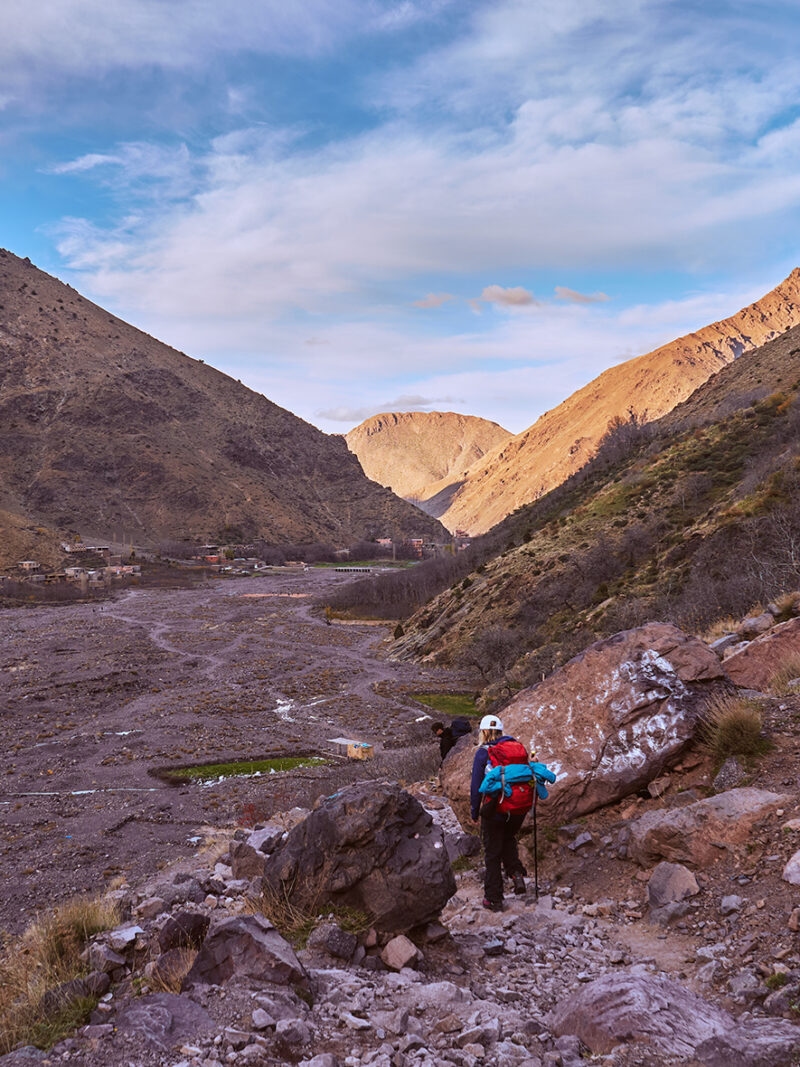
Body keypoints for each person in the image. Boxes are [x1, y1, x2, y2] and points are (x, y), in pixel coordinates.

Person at [470, 713, 531, 911]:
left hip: (495, 808)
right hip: (518, 808)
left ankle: (493, 898)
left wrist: (474, 812)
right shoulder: (517, 747)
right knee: (508, 839)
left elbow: (476, 786)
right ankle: (516, 874)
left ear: (484, 732)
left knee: (492, 853)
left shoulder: (484, 752)